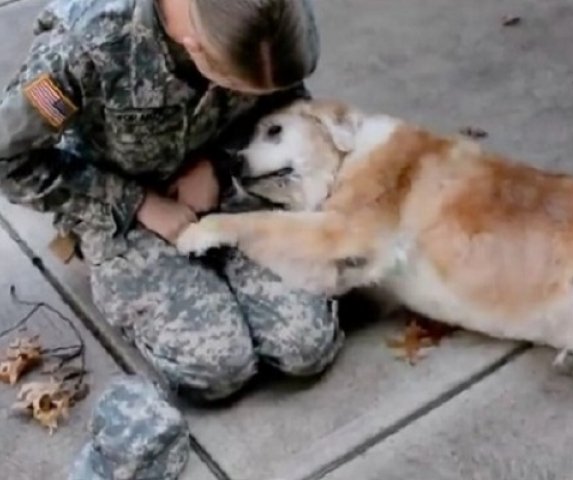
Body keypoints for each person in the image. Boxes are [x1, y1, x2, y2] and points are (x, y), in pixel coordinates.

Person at [0, 0, 344, 403]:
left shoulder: (271, 19)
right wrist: (137, 201)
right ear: (193, 47)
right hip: (123, 207)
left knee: (304, 346)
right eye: (236, 86)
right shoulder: (83, 51)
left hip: (232, 174)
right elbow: (9, 158)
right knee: (220, 369)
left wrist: (218, 166)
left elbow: (286, 101)